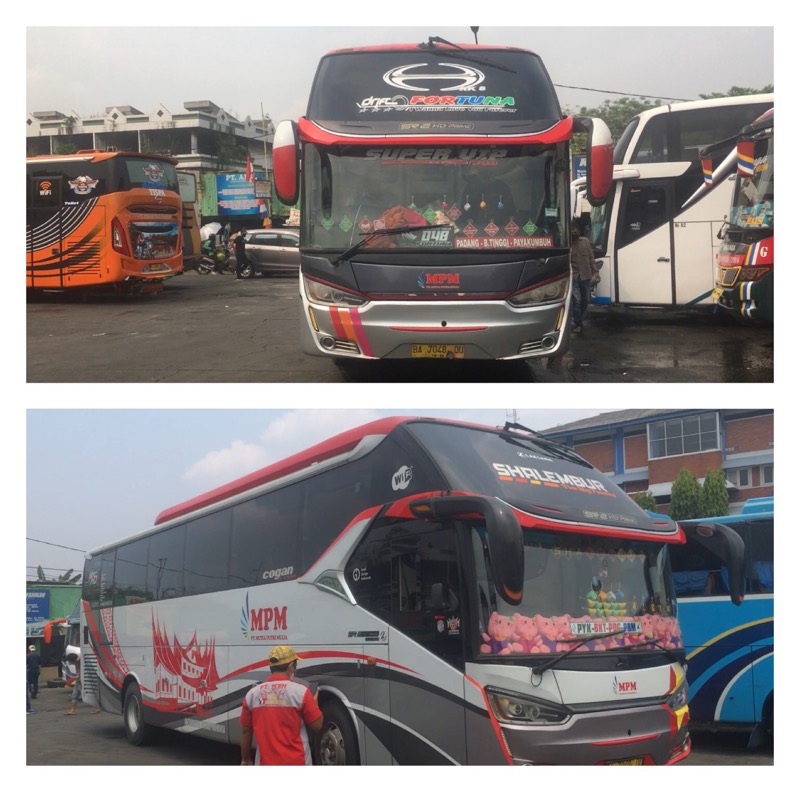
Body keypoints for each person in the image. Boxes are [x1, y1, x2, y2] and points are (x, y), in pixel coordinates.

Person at [239, 645, 323, 766]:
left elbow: (246, 732)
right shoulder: (301, 692)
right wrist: (315, 705)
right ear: (290, 667)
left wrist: (246, 760)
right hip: (298, 762)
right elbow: (317, 725)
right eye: (295, 666)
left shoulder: (252, 694)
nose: (295, 670)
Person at [569, 222, 599, 334]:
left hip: (586, 276)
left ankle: (576, 318)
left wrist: (596, 272)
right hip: (574, 277)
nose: (573, 233)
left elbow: (591, 258)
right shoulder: (567, 245)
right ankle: (578, 324)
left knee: (586, 301)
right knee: (577, 301)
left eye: (575, 231)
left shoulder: (585, 242)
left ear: (579, 232)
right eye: (571, 232)